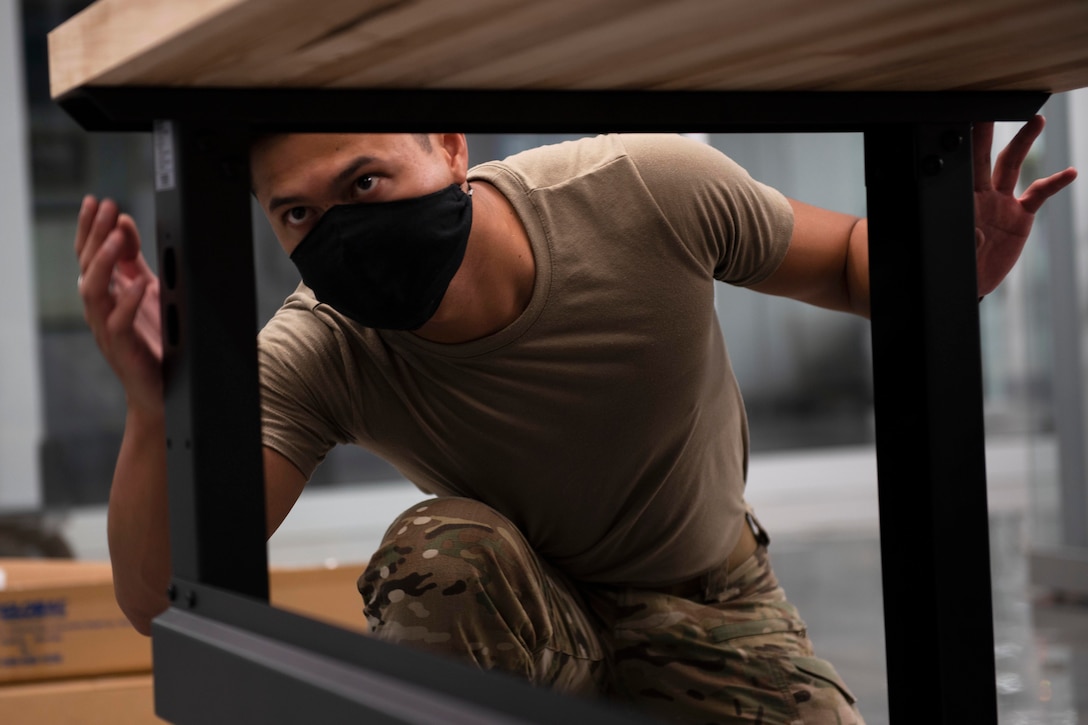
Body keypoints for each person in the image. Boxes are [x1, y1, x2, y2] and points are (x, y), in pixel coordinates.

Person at [76, 122, 1076, 724]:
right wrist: (152, 409)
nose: (336, 228)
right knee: (442, 550)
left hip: (710, 595)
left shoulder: (642, 190)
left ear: (451, 150)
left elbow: (851, 261)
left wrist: (947, 266)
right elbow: (160, 593)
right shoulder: (322, 345)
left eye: (364, 182)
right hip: (519, 609)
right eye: (295, 216)